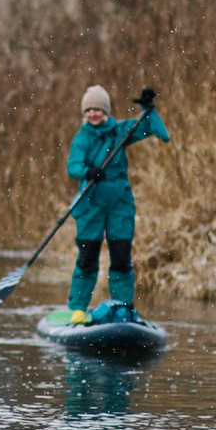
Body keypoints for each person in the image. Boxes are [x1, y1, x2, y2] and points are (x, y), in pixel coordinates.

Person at [66, 84, 169, 323]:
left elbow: (161, 134)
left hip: (120, 206)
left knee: (121, 259)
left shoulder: (120, 131)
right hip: (90, 205)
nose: (93, 114)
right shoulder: (81, 138)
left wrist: (148, 109)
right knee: (87, 258)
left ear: (106, 111)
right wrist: (88, 172)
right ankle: (79, 310)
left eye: (98, 109)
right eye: (89, 110)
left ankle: (123, 309)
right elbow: (72, 167)